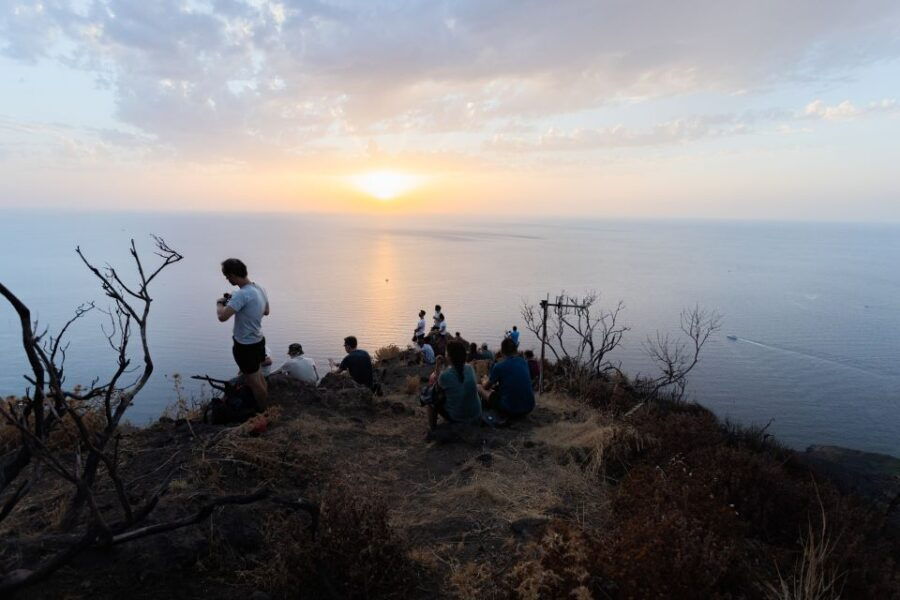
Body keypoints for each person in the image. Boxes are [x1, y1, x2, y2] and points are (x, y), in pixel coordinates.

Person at [216, 258, 269, 408]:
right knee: (259, 376)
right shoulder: (259, 288)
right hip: (259, 340)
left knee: (254, 383)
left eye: (227, 276)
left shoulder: (241, 295)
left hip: (245, 345)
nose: (227, 279)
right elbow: (266, 311)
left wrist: (220, 304)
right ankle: (266, 408)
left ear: (233, 275)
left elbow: (222, 317)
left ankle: (263, 414)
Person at [429, 340, 482, 430]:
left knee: (431, 400)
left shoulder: (445, 376)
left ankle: (433, 429)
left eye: (446, 352)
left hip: (459, 418)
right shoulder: (470, 368)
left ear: (449, 356)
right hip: (476, 415)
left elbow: (437, 389)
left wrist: (437, 366)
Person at [478, 337, 534, 418]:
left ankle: (482, 410)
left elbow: (486, 387)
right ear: (515, 350)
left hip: (510, 409)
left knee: (479, 387)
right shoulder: (524, 362)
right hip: (529, 407)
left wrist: (484, 381)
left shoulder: (499, 366)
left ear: (502, 351)